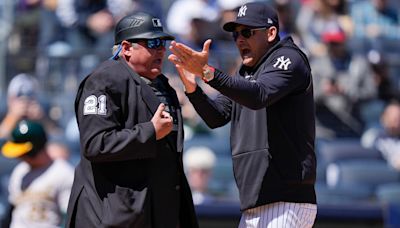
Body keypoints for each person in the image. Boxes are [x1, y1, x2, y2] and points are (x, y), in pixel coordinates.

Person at [169, 2, 317, 227]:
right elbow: (217, 116)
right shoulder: (245, 71)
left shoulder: (289, 58)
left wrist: (207, 72)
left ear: (271, 33)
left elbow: (259, 95)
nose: (239, 39)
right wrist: (193, 89)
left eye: (247, 32)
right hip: (255, 200)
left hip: (286, 199)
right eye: (235, 34)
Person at [65, 11, 198, 228]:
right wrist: (150, 131)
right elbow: (95, 143)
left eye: (162, 43)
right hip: (109, 214)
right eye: (152, 42)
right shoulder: (103, 80)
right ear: (126, 48)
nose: (161, 50)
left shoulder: (160, 84)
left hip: (151, 211)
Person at [1, 119, 74, 228]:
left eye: (23, 153)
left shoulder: (63, 173)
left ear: (33, 150)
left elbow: (69, 217)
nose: (19, 157)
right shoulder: (19, 171)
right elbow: (11, 212)